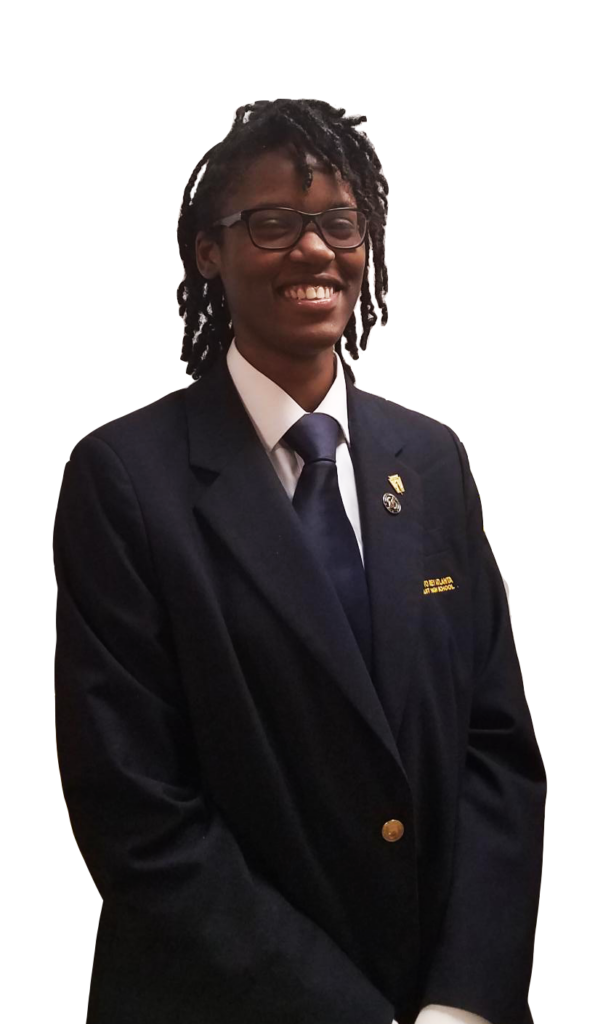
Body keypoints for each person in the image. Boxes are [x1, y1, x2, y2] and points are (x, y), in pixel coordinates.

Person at [53, 98, 546, 1024]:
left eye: (339, 222)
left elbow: (495, 750)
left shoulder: (430, 462)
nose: (314, 250)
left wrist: (465, 997)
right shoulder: (125, 480)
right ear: (209, 250)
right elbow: (139, 810)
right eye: (273, 223)